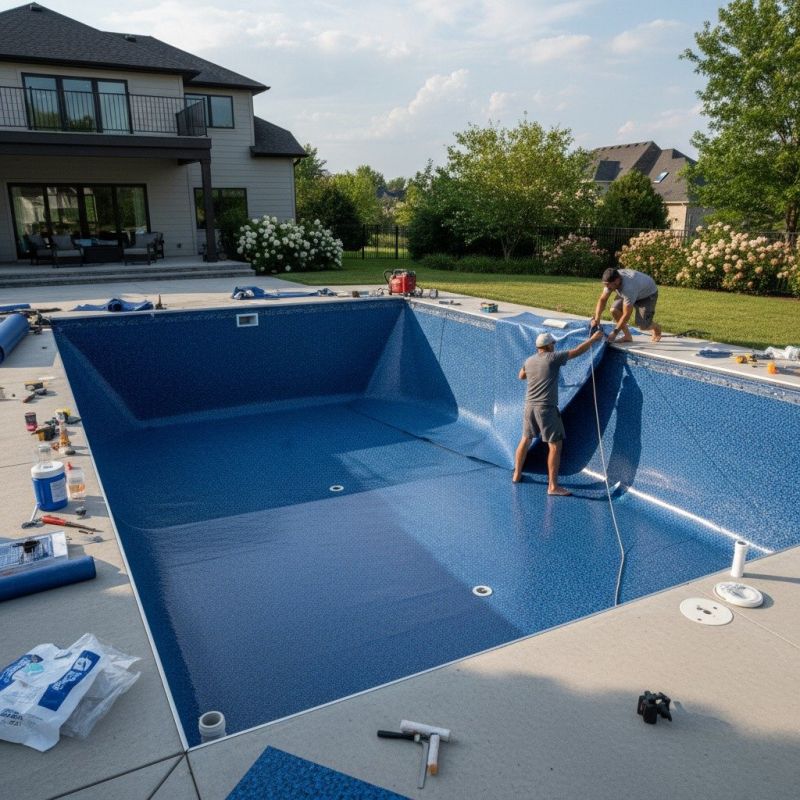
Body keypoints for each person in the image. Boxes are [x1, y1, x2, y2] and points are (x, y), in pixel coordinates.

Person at [513, 329, 604, 494]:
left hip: (529, 407)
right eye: (553, 343)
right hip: (546, 408)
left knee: (525, 440)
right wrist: (593, 340)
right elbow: (576, 352)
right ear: (548, 346)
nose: (555, 345)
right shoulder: (553, 358)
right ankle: (553, 486)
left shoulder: (530, 360)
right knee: (555, 445)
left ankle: (517, 474)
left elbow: (521, 376)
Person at [591, 267, 662, 344]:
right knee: (614, 310)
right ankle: (627, 337)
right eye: (605, 285)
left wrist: (615, 332)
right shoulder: (611, 280)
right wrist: (597, 318)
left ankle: (656, 328)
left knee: (643, 326)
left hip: (647, 295)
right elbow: (602, 300)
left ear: (617, 281)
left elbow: (626, 314)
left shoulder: (628, 288)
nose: (607, 288)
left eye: (608, 285)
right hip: (632, 291)